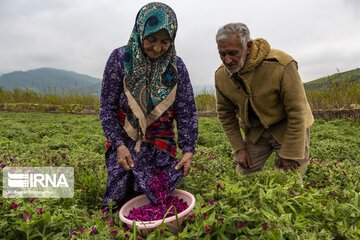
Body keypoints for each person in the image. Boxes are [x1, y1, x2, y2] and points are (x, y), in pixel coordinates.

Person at [99, 2, 198, 208]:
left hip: (160, 144)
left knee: (157, 202)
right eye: (150, 39)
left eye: (165, 41)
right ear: (139, 32)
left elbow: (186, 111)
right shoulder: (120, 59)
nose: (157, 48)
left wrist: (188, 150)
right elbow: (107, 108)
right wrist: (119, 145)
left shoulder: (176, 67)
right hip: (126, 143)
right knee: (118, 202)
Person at [214, 23, 314, 175]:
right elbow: (225, 114)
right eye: (222, 54)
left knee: (291, 180)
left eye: (233, 53)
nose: (227, 60)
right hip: (257, 131)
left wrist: (290, 153)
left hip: (288, 127)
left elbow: (297, 111)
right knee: (243, 176)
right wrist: (239, 149)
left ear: (248, 46)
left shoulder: (281, 65)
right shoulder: (221, 75)